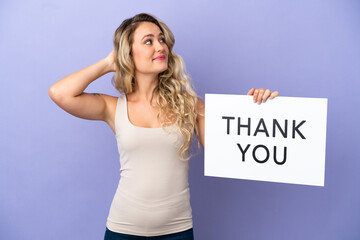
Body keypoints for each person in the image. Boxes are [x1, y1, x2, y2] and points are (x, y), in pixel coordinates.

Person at [48, 13, 279, 240]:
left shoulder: (189, 104)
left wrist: (258, 107)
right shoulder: (112, 107)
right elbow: (59, 93)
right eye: (148, 41)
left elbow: (228, 151)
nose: (160, 46)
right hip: (122, 230)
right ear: (128, 53)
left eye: (161, 39)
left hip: (177, 231)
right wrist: (108, 63)